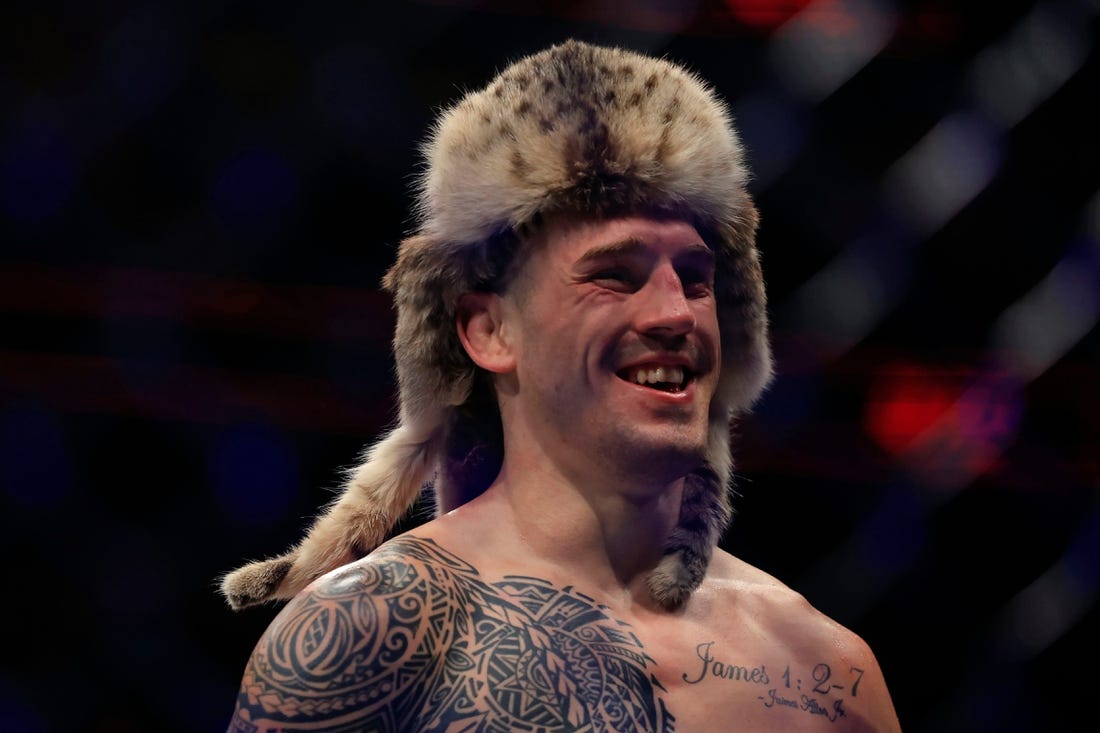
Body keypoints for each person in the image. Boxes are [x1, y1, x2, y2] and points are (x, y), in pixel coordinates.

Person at [219, 39, 904, 732]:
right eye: (614, 274)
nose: (676, 314)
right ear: (489, 331)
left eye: (695, 279)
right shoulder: (370, 631)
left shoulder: (826, 674)